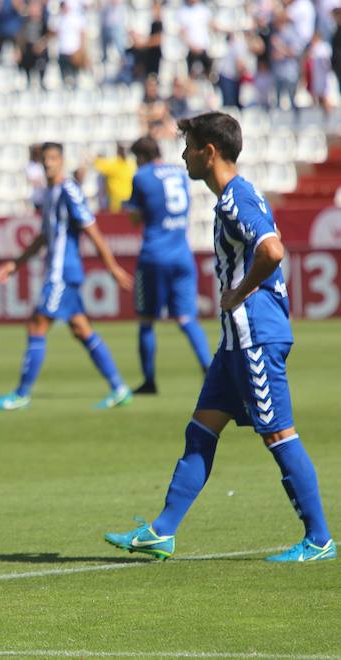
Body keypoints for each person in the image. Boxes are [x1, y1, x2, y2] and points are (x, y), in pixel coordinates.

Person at [105, 112, 336, 563]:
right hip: (235, 343)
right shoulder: (235, 196)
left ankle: (319, 539)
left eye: (188, 146)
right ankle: (161, 531)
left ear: (209, 152)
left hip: (255, 338)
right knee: (200, 430)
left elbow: (272, 251)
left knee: (278, 433)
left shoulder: (236, 200)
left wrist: (240, 291)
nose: (184, 155)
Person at [0, 142, 134, 411]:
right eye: (45, 159)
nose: (48, 163)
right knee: (81, 329)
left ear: (62, 161)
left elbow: (91, 227)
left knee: (37, 324)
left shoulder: (68, 189)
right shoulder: (49, 192)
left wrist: (112, 266)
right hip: (60, 272)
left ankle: (21, 394)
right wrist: (16, 263)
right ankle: (120, 388)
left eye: (53, 158)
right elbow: (44, 236)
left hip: (62, 273)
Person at [124, 136, 211, 395]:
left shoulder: (141, 176)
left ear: (140, 157)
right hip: (182, 254)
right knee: (187, 318)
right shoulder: (179, 172)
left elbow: (136, 219)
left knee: (147, 320)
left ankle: (149, 381)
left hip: (154, 255)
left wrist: (129, 209)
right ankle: (209, 370)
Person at [93, 143, 136, 212]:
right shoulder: (131, 164)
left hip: (116, 201)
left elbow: (98, 164)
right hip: (128, 198)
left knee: (117, 220)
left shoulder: (113, 164)